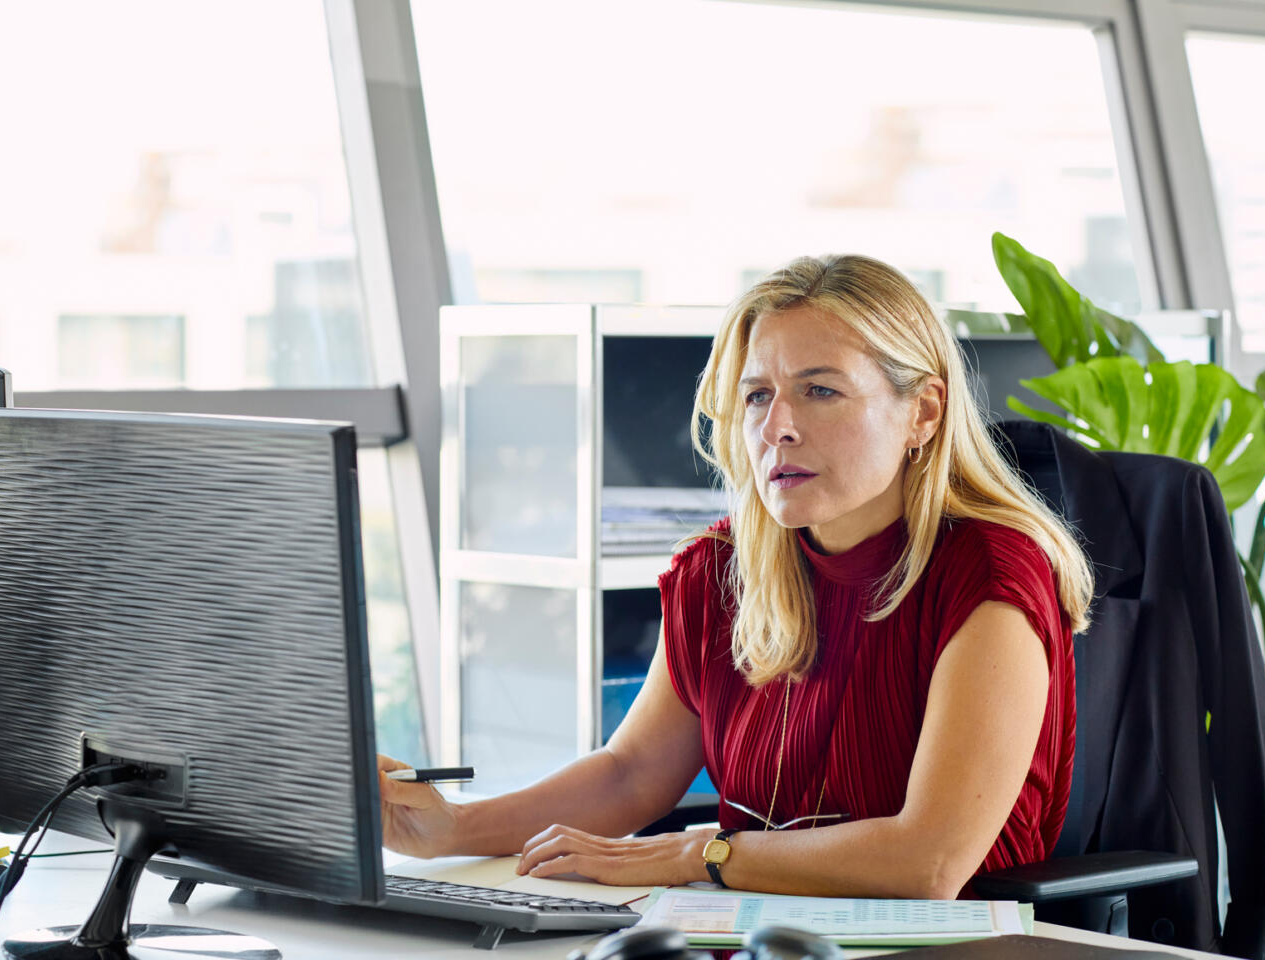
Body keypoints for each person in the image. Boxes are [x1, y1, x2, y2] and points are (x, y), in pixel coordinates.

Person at [379, 254, 1093, 898]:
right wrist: (453, 829)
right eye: (757, 396)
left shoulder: (992, 575)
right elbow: (631, 774)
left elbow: (927, 861)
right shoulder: (721, 570)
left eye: (819, 391)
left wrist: (701, 854)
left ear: (923, 412)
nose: (777, 426)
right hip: (748, 933)